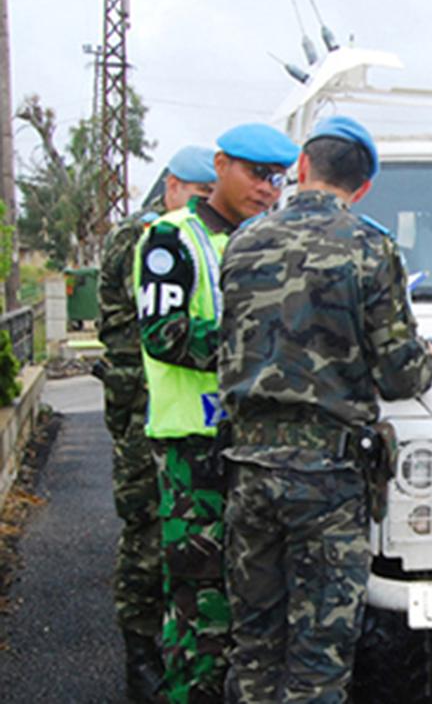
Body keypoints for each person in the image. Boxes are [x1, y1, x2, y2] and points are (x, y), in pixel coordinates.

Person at [218, 116, 432, 701]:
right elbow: (400, 374)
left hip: (248, 469)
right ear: (362, 187)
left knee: (256, 645)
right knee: (319, 657)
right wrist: (430, 353)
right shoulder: (370, 246)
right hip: (327, 481)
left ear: (302, 168)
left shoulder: (244, 240)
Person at [135, 123, 299, 703]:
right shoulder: (171, 240)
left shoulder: (271, 239)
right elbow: (164, 334)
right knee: (200, 611)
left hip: (256, 448)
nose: (267, 188)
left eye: (278, 178)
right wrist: (265, 349)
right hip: (193, 452)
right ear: (221, 166)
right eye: (256, 174)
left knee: (257, 605)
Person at [98, 144, 216, 702]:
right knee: (145, 533)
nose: (202, 205)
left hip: (167, 408)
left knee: (182, 543)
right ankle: (141, 658)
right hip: (140, 406)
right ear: (172, 186)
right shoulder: (146, 238)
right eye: (196, 195)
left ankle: (170, 653)